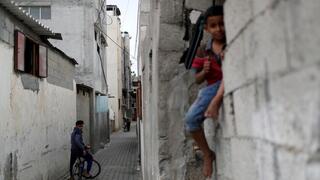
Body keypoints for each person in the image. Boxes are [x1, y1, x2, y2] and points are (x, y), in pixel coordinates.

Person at [184, 5, 226, 178]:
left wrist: (216, 102)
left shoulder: (232, 43)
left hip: (223, 85)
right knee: (191, 121)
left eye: (222, 24)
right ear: (207, 28)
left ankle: (208, 155)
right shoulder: (203, 50)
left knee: (192, 118)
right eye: (213, 25)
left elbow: (230, 75)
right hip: (211, 87)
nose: (218, 29)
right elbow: (197, 79)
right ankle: (208, 153)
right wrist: (205, 71)